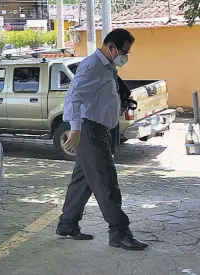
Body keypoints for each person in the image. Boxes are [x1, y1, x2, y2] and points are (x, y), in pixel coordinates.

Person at [56, 28, 148, 251]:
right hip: (90, 131)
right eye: (125, 51)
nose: (126, 55)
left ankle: (67, 224)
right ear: (111, 47)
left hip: (99, 129)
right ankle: (119, 232)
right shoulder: (93, 66)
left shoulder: (107, 67)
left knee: (84, 180)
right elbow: (74, 98)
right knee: (106, 181)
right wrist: (75, 130)